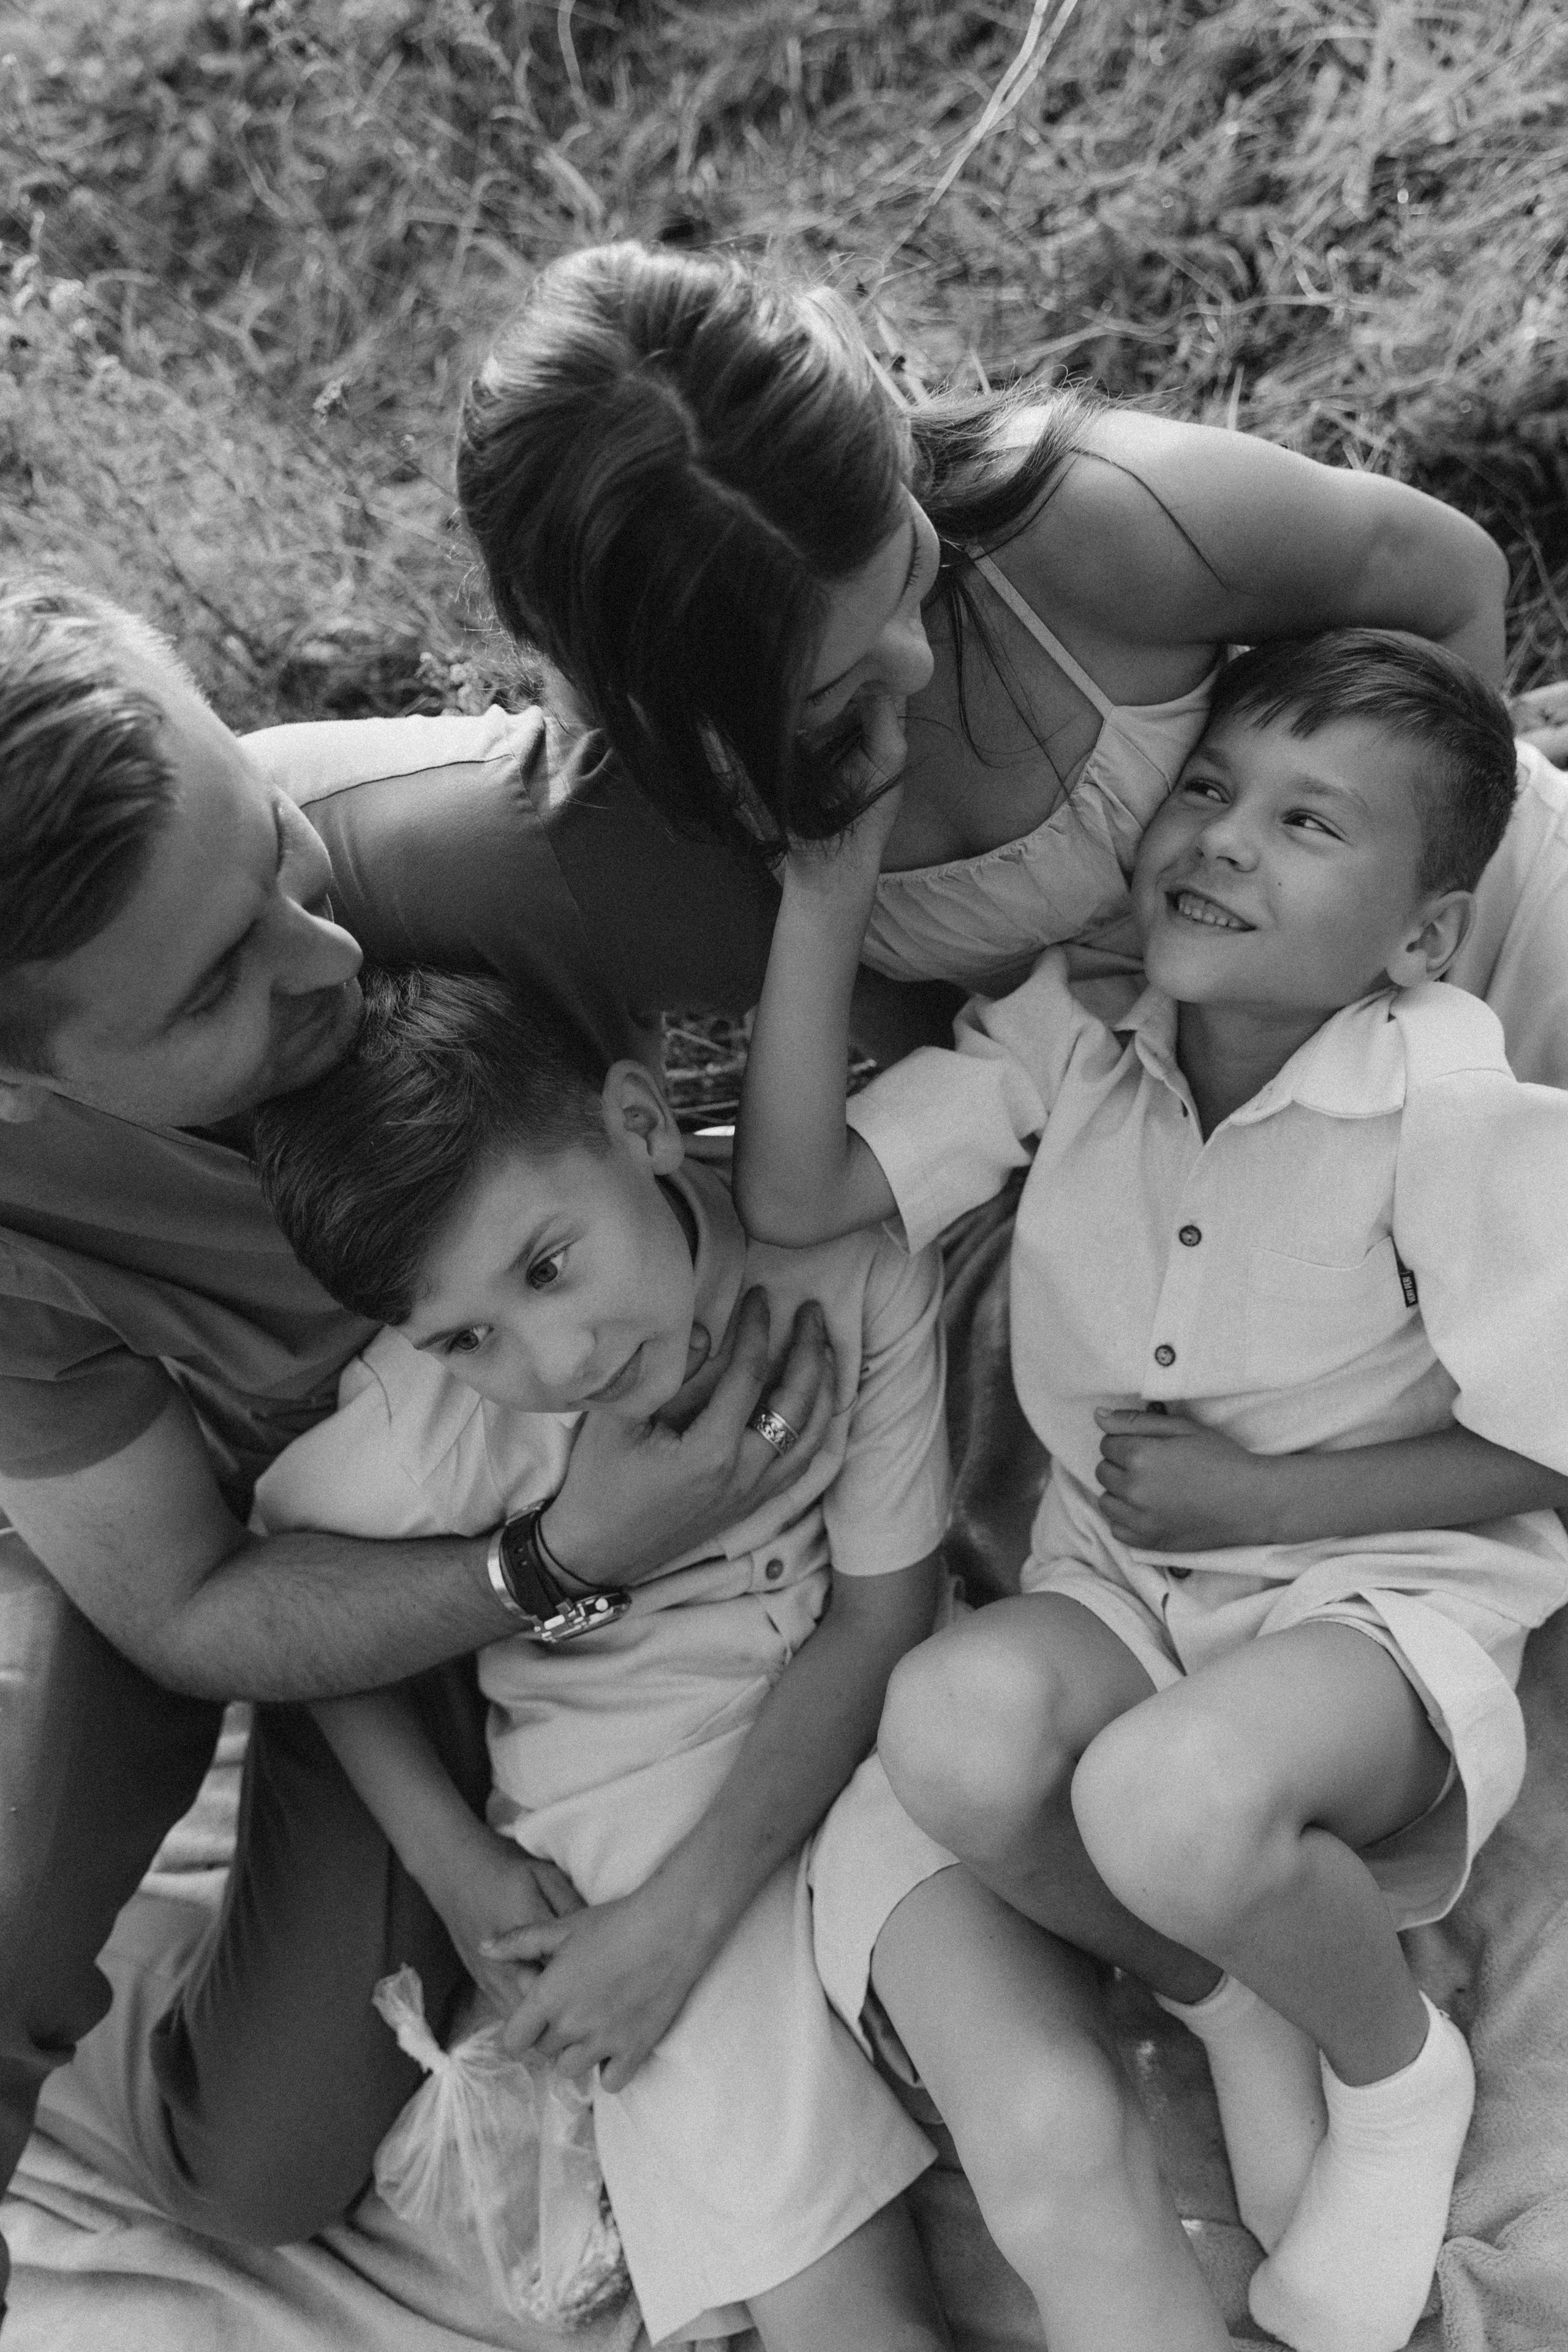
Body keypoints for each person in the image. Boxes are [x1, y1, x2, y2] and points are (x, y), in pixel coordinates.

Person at [0, 571, 837, 2302]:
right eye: (214, 986)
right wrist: (558, 1566)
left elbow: (911, 1021)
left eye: (271, 847)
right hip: (322, 1557)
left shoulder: (496, 861)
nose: (330, 957)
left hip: (544, 1532)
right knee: (244, 2159)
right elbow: (184, 1601)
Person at [736, 630, 1568, 2352]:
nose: (1227, 838)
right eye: (1209, 786)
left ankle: (1395, 2071)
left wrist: (1266, 1509)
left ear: (1419, 938)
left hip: (1372, 1594)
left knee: (1167, 1802)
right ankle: (1237, 2001)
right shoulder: (1080, 1032)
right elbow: (801, 1194)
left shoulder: (1444, 1103)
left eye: (1308, 824)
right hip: (1125, 1588)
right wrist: (823, 899)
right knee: (948, 1729)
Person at [246, 964, 1232, 2352]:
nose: (556, 1356)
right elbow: (293, 1609)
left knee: (1058, 2125)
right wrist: (450, 1863)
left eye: (547, 1265)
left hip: (874, 1740)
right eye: (467, 1335)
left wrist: (680, 1923)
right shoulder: (430, 1433)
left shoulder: (844, 1268)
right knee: (836, 2296)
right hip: (625, 1801)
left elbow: (877, 1621)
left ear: (641, 1122)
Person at [455, 238, 1510, 1043]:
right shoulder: (668, 774)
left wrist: (1399, 1021)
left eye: (910, 572)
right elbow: (911, 1041)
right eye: (828, 687)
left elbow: (1456, 585)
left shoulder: (1115, 519)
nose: (909, 666)